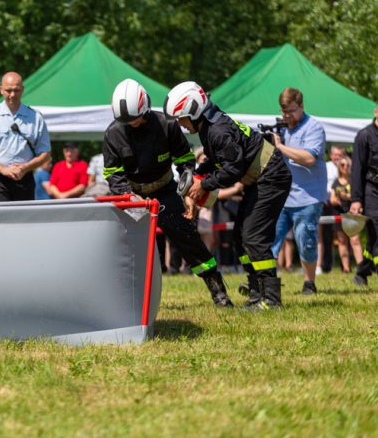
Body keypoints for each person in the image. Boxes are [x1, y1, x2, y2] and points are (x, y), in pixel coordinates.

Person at [104, 79, 232, 306]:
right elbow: (113, 173)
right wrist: (130, 196)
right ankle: (127, 300)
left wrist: (186, 193)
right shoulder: (113, 134)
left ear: (145, 108)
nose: (131, 124)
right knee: (127, 249)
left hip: (165, 191)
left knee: (189, 239)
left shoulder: (167, 125)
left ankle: (218, 291)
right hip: (132, 197)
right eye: (126, 121)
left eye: (135, 119)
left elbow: (185, 161)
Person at [164, 81, 292, 309]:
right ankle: (256, 294)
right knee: (240, 237)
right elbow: (217, 161)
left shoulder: (217, 130)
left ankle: (271, 300)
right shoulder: (208, 127)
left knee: (253, 237)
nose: (180, 124)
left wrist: (204, 186)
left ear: (194, 111)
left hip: (271, 177)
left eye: (181, 118)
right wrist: (197, 175)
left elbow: (233, 170)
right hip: (260, 178)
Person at [268, 88, 329, 295]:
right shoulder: (281, 128)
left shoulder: (314, 127)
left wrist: (279, 146)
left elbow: (309, 158)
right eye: (284, 112)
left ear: (302, 106)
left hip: (309, 196)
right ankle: (265, 283)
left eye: (292, 111)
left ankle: (309, 284)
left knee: (306, 240)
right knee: (270, 238)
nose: (288, 116)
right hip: (283, 196)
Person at [0, 72, 51, 202]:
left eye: (16, 90)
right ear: (1, 90)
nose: (12, 95)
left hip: (24, 178)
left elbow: (45, 154)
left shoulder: (36, 117)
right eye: (8, 90)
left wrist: (26, 167)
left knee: (23, 220)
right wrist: (2, 169)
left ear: (22, 89)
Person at [350, 101, 378, 286]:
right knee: (377, 230)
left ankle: (362, 271)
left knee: (373, 239)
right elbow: (356, 170)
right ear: (376, 111)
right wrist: (356, 199)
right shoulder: (365, 136)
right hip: (371, 188)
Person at [331, 157, 364, 273]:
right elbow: (331, 200)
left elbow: (359, 196)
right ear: (339, 166)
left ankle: (361, 268)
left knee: (355, 240)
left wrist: (348, 196)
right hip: (339, 213)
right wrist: (336, 199)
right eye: (342, 165)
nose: (345, 167)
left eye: (347, 165)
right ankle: (346, 268)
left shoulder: (353, 181)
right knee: (342, 241)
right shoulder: (335, 182)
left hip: (352, 213)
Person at [319, 145, 347, 273]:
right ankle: (326, 265)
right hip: (327, 205)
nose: (337, 157)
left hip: (344, 206)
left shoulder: (347, 166)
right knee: (326, 237)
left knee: (345, 238)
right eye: (335, 155)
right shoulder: (325, 166)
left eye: (339, 155)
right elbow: (321, 184)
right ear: (331, 155)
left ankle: (346, 266)